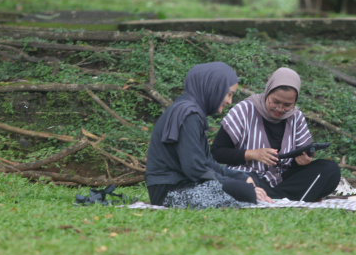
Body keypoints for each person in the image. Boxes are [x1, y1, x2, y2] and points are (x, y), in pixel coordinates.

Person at [145, 62, 272, 208]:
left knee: (250, 182)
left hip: (182, 185)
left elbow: (209, 163)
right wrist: (238, 185)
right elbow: (195, 169)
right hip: (169, 191)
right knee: (245, 192)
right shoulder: (189, 115)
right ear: (214, 88)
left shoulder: (193, 113)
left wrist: (243, 177)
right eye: (229, 94)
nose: (230, 101)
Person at [211, 67, 340, 202]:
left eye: (287, 105)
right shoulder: (244, 110)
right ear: (267, 92)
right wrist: (252, 154)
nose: (280, 108)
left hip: (280, 180)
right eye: (275, 102)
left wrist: (301, 162)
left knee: (330, 170)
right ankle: (279, 197)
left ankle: (273, 197)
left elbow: (295, 163)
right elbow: (217, 152)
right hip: (248, 175)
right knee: (247, 182)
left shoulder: (296, 117)